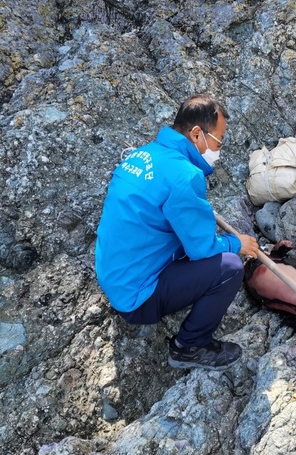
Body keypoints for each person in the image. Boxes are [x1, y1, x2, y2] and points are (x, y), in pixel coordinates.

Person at [95, 94, 259, 371]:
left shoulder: (143, 154)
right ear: (197, 134)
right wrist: (237, 243)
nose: (218, 149)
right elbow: (202, 248)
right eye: (218, 141)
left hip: (115, 276)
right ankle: (190, 347)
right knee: (229, 267)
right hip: (137, 297)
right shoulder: (185, 175)